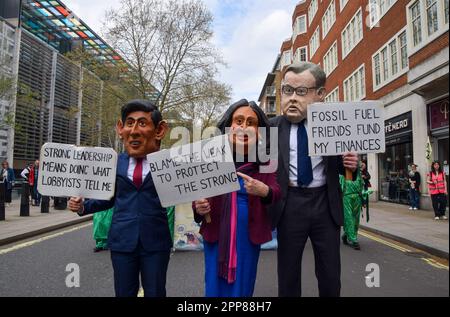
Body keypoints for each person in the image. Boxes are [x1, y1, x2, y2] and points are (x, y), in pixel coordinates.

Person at [269, 62, 358, 297]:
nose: (292, 98)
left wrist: (351, 164)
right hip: (289, 206)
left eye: (301, 92)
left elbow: (344, 165)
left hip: (325, 206)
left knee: (330, 276)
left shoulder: (335, 127)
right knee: (287, 276)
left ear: (320, 94)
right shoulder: (269, 129)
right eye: (287, 90)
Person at [69, 99, 172, 297]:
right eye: (129, 123)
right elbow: (107, 198)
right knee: (124, 292)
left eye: (142, 123)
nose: (134, 131)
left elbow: (187, 190)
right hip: (122, 241)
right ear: (120, 128)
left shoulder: (169, 162)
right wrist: (82, 206)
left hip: (156, 242)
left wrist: (200, 206)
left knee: (156, 292)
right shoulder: (113, 164)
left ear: (159, 130)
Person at [193, 99, 281, 297]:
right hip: (216, 230)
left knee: (243, 284)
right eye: (239, 121)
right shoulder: (212, 157)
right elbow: (196, 192)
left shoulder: (265, 161)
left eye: (251, 123)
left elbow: (276, 191)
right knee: (214, 283)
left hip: (249, 235)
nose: (244, 127)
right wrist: (199, 207)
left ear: (259, 131)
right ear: (228, 127)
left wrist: (264, 190)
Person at [340, 164, 364, 250]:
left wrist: (364, 197)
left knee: (356, 220)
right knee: (349, 218)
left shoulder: (358, 175)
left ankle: (345, 235)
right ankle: (354, 240)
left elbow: (361, 187)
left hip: (357, 198)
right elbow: (339, 187)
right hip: (347, 198)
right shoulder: (342, 174)